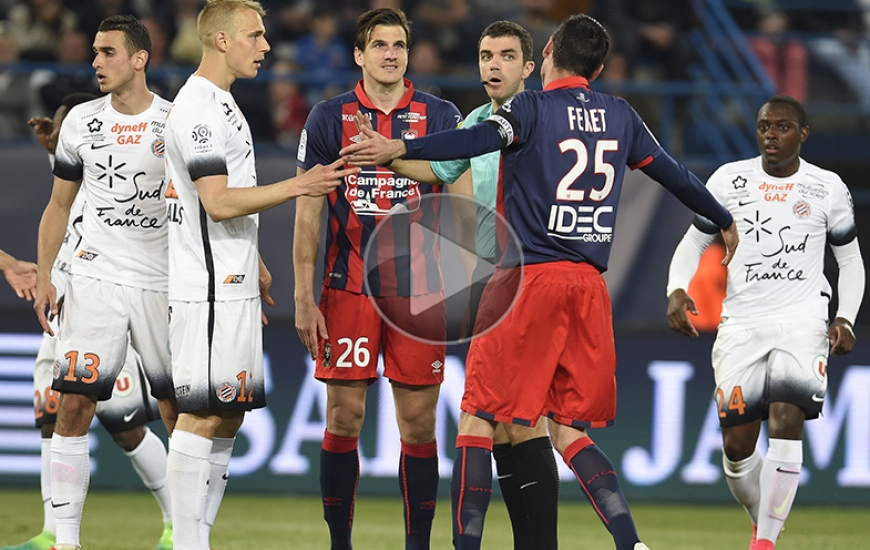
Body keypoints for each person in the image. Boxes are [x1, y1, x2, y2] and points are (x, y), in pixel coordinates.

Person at [341, 13, 740, 550]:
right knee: (569, 429)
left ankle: (465, 545)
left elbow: (481, 138)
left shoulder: (528, 108)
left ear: (546, 53)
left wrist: (399, 148)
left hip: (526, 278)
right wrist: (721, 218)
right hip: (589, 285)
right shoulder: (622, 115)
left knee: (478, 418)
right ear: (598, 68)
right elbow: (674, 174)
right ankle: (631, 543)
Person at [162, 2, 355, 549]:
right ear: (221, 40)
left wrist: (257, 261)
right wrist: (301, 185)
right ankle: (187, 544)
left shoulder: (225, 104)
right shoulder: (197, 107)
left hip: (235, 281)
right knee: (200, 415)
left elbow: (223, 209)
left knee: (229, 416)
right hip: (206, 290)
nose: (266, 46)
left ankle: (198, 534)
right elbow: (218, 202)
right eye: (256, 35)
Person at [372, 20, 560, 550]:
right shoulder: (478, 119)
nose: (491, 65)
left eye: (504, 55)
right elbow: (440, 169)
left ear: (529, 67)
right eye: (483, 56)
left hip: (530, 276)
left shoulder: (546, 118)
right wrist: (386, 156)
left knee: (497, 416)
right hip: (490, 276)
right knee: (509, 422)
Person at [293, 7, 462, 550]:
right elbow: (308, 212)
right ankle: (340, 544)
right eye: (380, 45)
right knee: (344, 416)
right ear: (360, 55)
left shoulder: (440, 115)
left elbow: (460, 205)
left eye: (399, 45)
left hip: (419, 293)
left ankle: (417, 545)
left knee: (417, 425)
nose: (391, 53)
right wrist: (302, 294)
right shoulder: (327, 117)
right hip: (348, 287)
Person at [666, 95, 864, 550]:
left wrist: (845, 318)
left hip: (803, 320)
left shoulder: (826, 187)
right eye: (763, 127)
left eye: (782, 127)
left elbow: (849, 260)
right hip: (741, 324)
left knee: (785, 417)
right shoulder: (729, 180)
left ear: (803, 134)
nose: (771, 135)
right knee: (737, 448)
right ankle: (764, 521)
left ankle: (765, 543)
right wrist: (677, 288)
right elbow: (694, 243)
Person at [0, 92, 174, 550]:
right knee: (52, 413)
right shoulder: (71, 171)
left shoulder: (115, 174)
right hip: (61, 306)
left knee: (123, 421)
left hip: (107, 301)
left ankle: (178, 522)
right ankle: (53, 532)